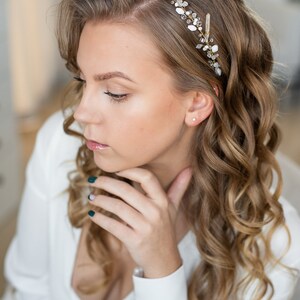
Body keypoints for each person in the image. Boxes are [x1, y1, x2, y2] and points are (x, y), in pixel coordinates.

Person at [4, 0, 300, 299]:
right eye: (83, 80)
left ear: (197, 102)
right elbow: (26, 288)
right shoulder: (60, 144)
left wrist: (162, 273)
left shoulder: (273, 248)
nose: (81, 113)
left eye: (115, 93)